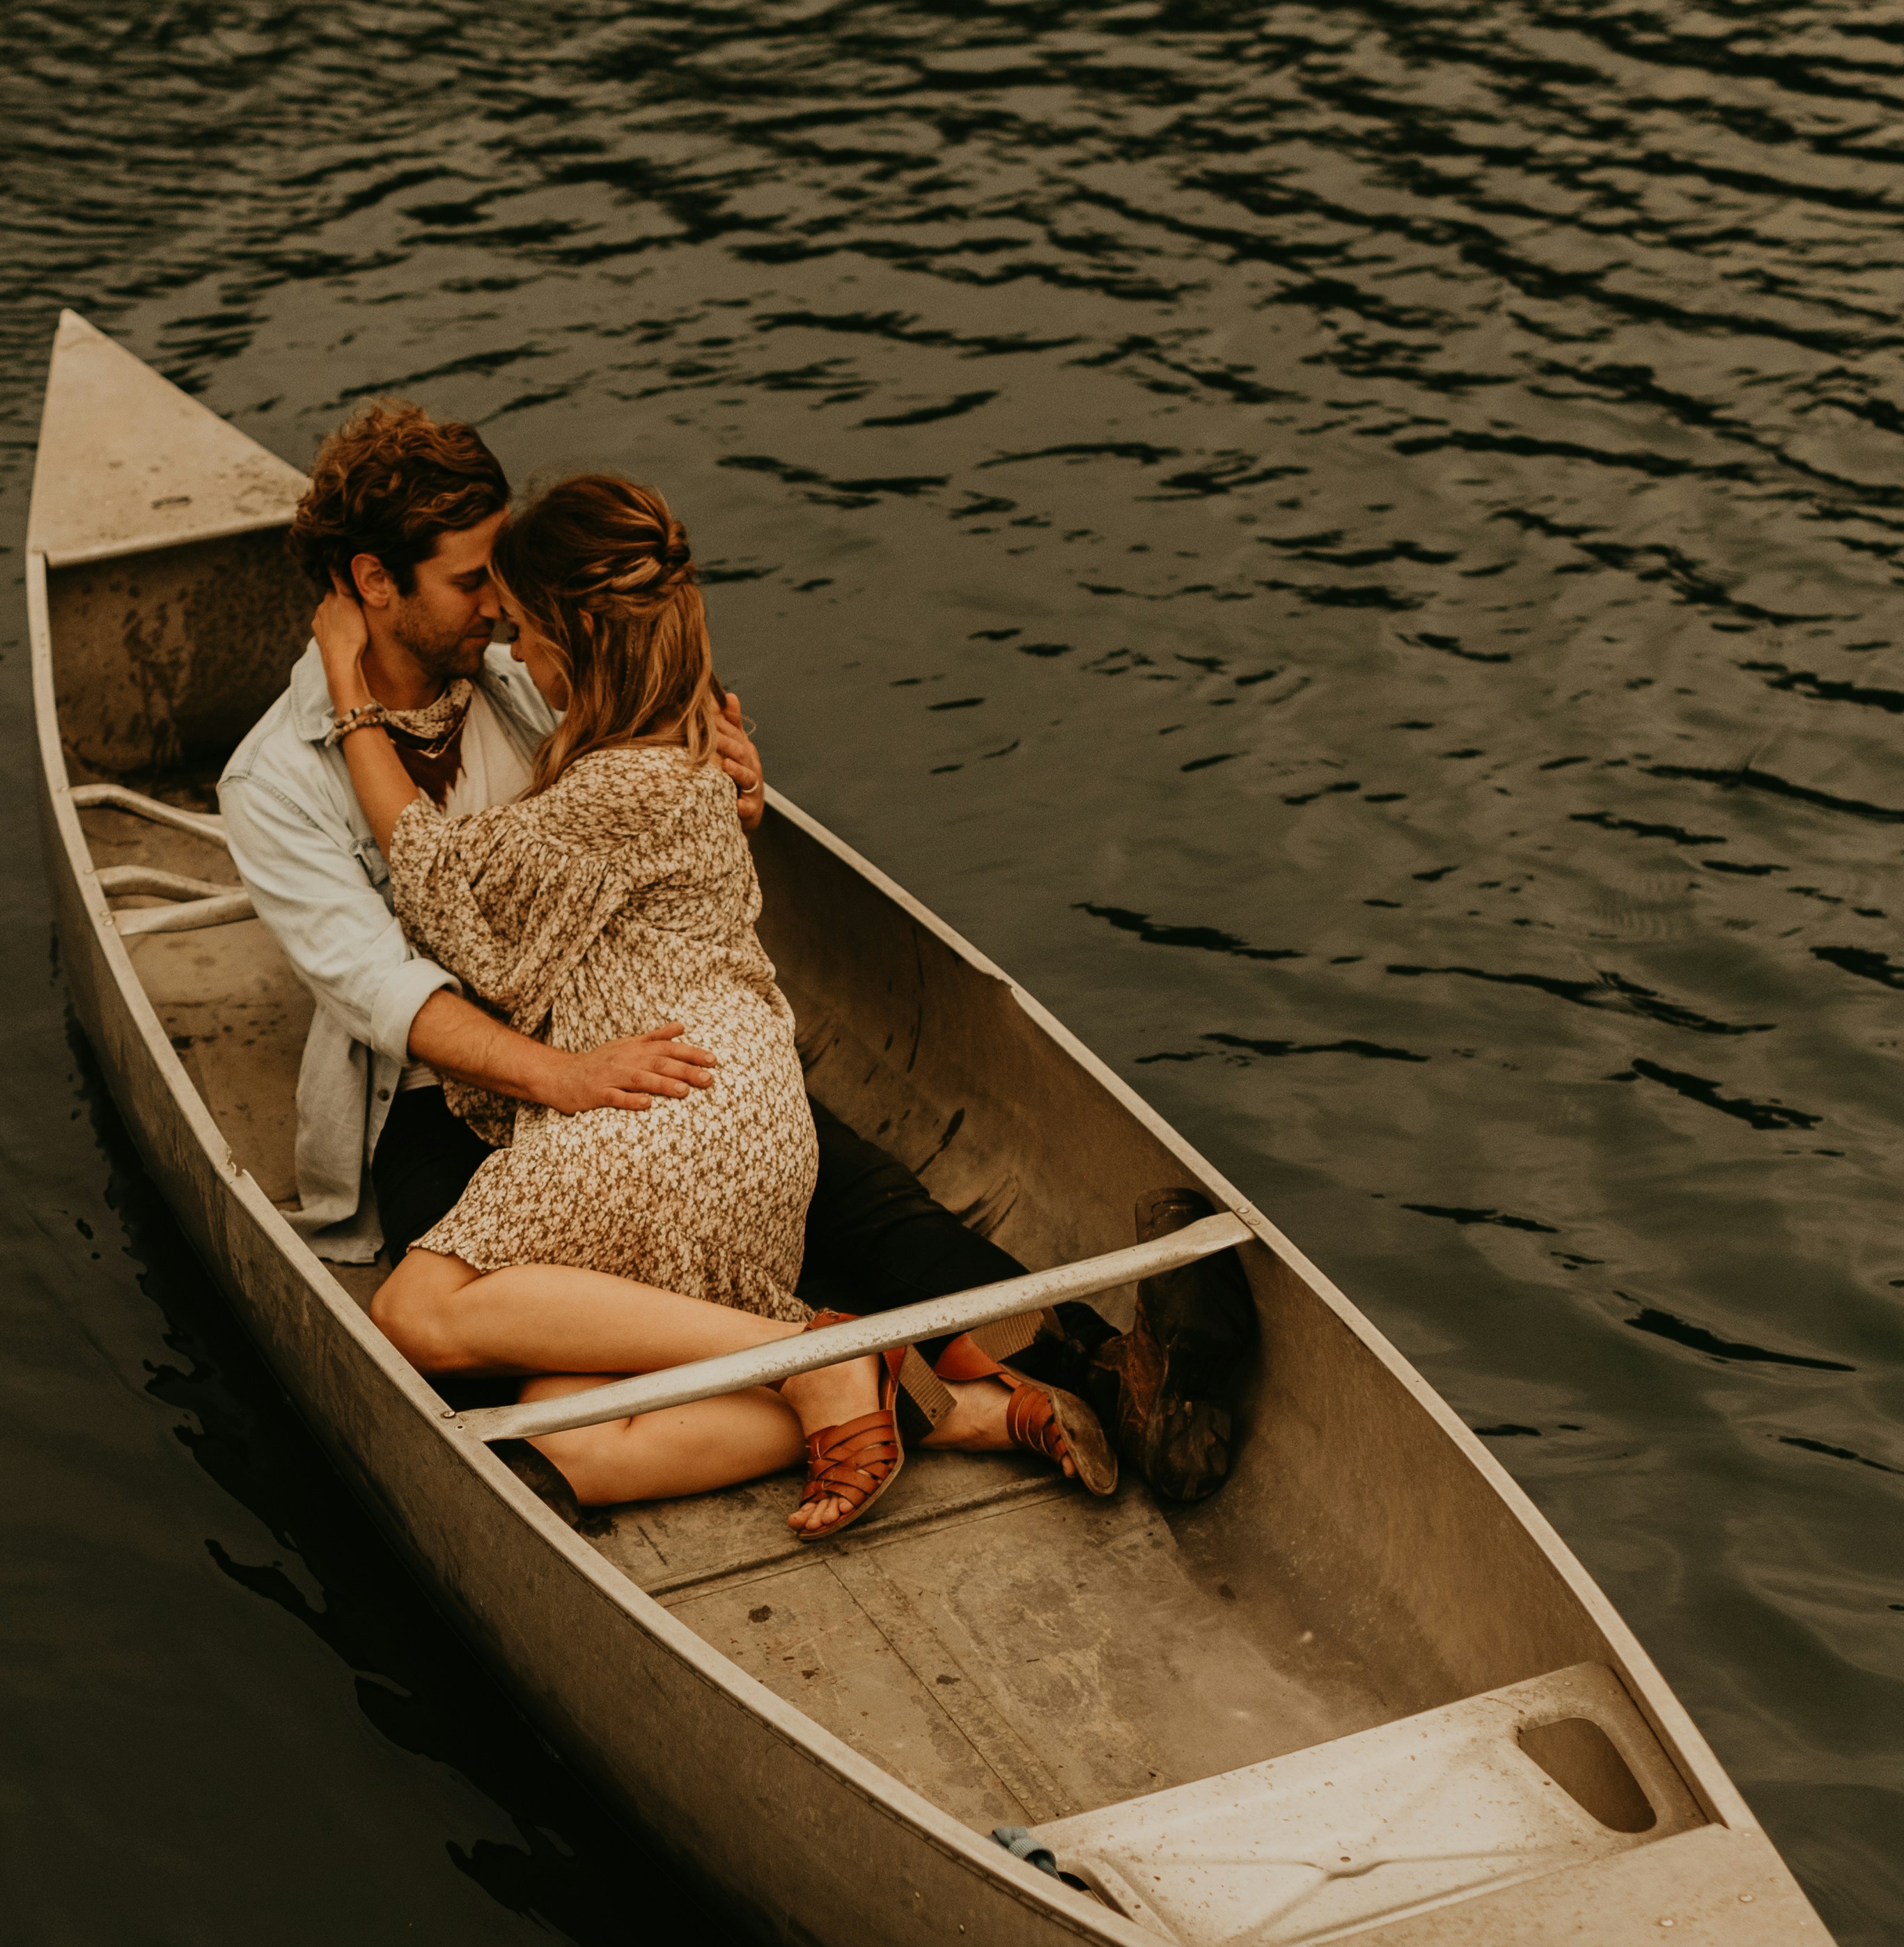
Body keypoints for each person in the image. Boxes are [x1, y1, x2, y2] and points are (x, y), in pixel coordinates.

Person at [214, 399, 1217, 1516]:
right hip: (452, 1091)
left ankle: (1100, 1370)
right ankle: (898, 1384)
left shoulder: (526, 671)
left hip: (635, 1043)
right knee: (534, 1372)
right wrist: (556, 1075)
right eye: (473, 581)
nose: (505, 609)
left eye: (508, 578)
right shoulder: (275, 782)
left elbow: (639, 792)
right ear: (372, 582)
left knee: (867, 1200)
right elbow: (382, 988)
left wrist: (728, 790)